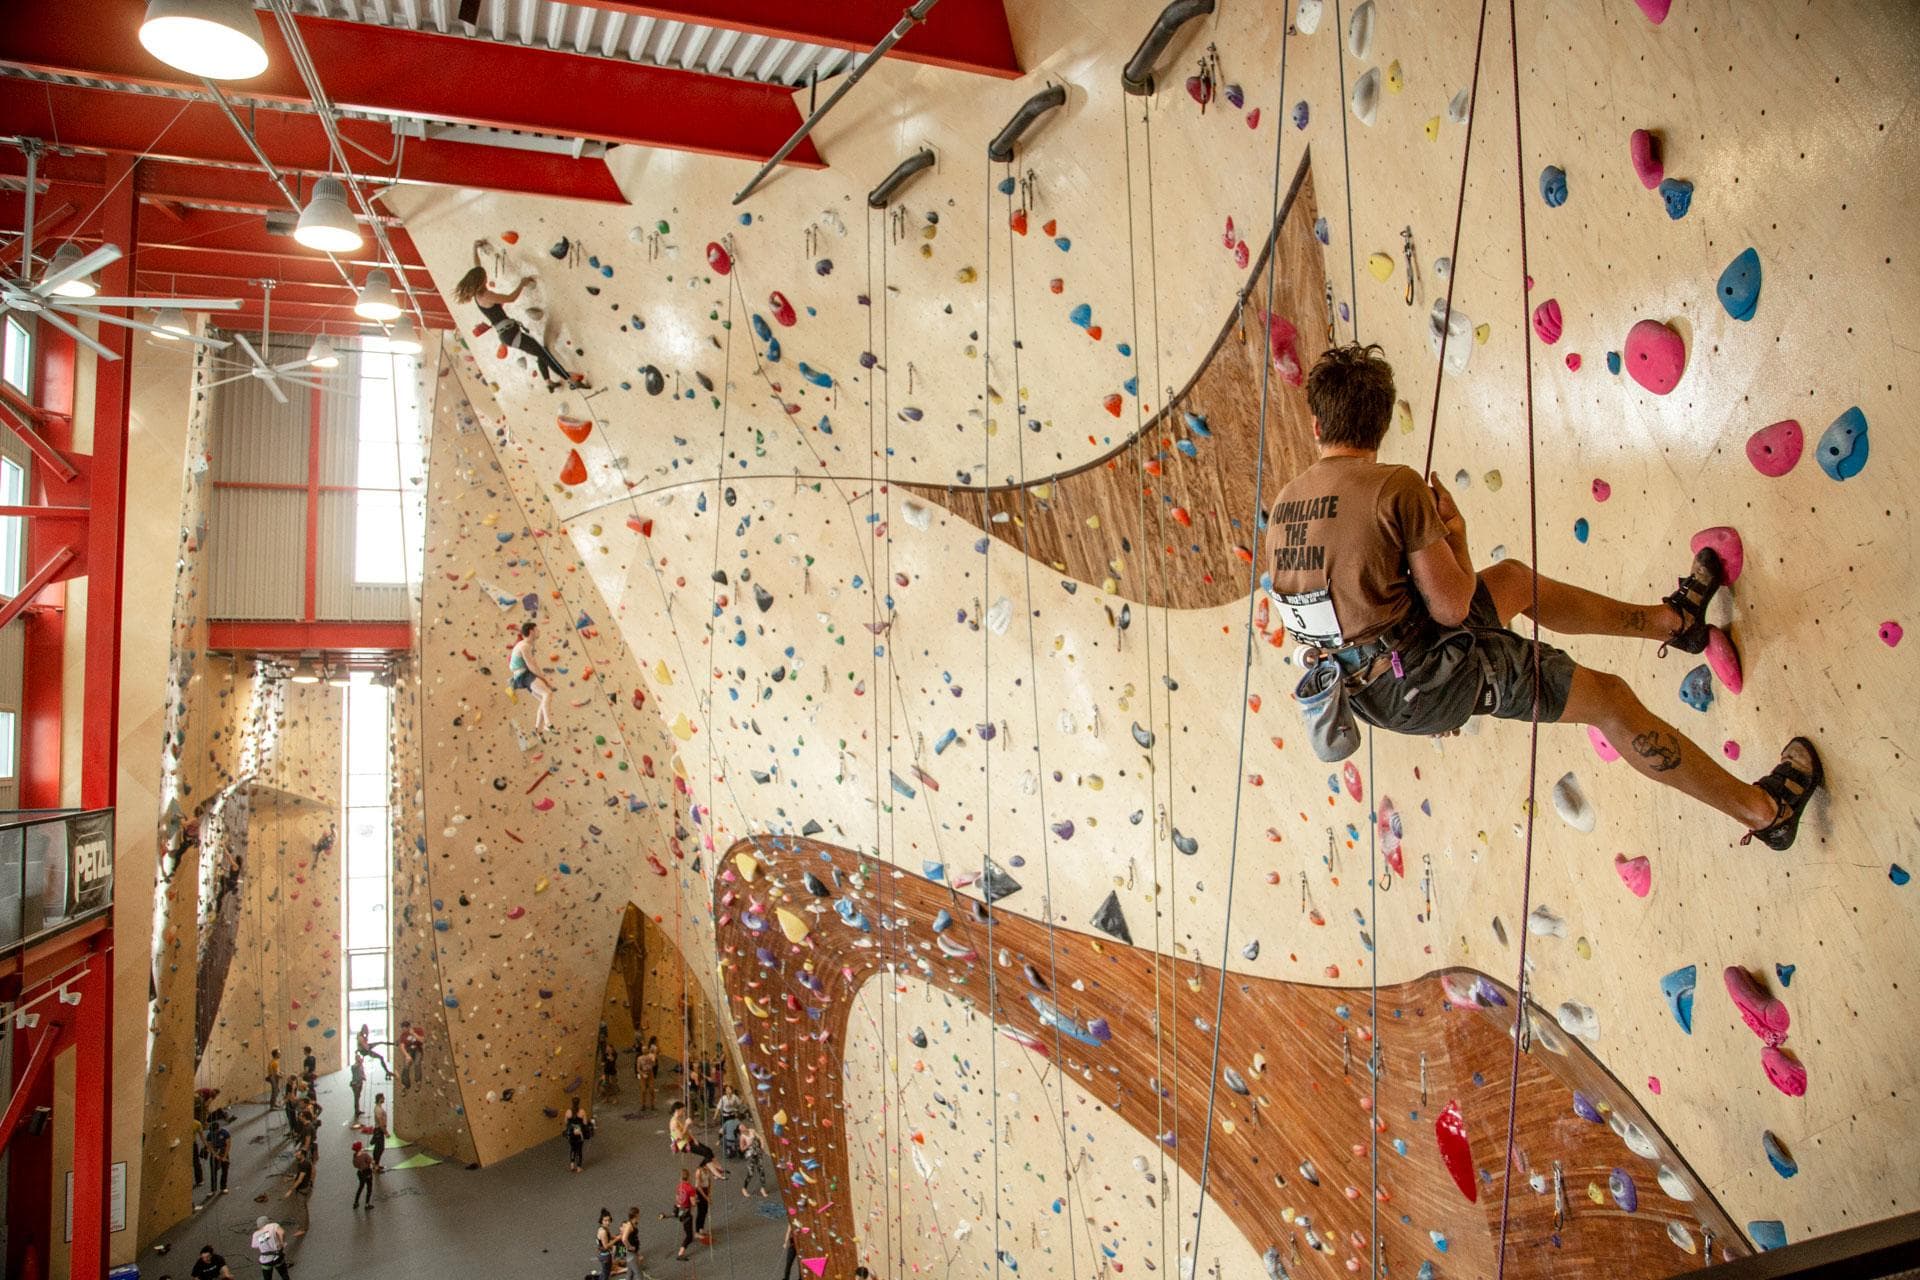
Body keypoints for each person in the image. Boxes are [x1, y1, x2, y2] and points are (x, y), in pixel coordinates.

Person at [1262, 343, 1822, 850]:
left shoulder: (1286, 504)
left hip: (1369, 690)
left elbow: (1331, 613)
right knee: (1609, 700)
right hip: (1424, 674)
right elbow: (1453, 607)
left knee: (1510, 582)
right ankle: (1765, 811)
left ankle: (1672, 623)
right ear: (1381, 423)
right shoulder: (1395, 486)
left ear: (1316, 426)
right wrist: (1455, 538)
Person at [453, 240, 587, 393]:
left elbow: (477, 267)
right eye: (484, 277)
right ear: (480, 281)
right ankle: (569, 379)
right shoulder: (486, 295)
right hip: (510, 334)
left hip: (508, 333)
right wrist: (522, 284)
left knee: (541, 352)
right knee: (543, 353)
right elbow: (510, 298)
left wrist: (475, 247)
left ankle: (549, 382)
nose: (486, 277)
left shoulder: (478, 294)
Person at [508, 621, 554, 731]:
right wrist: (544, 679)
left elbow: (533, 664)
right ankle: (547, 724)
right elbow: (531, 665)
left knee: (544, 699)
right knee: (547, 693)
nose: (539, 632)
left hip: (523, 675)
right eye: (537, 630)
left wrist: (542, 678)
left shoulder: (527, 645)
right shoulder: (524, 646)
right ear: (531, 631)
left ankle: (537, 729)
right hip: (523, 675)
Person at [668, 1100, 724, 1177]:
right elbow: (680, 1136)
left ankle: (718, 1167)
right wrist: (687, 1124)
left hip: (689, 1140)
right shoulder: (673, 1122)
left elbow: (687, 1131)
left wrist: (694, 1139)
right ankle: (715, 1173)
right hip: (684, 1145)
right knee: (706, 1153)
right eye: (683, 1110)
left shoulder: (678, 1119)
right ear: (678, 1110)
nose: (683, 1112)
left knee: (708, 1150)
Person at [283, 1144, 314, 1236]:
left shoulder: (303, 1165)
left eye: (298, 1153)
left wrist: (290, 1190)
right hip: (305, 1187)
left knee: (302, 1209)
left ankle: (303, 1228)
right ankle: (306, 1224)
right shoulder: (302, 1163)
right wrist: (289, 1179)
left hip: (302, 1189)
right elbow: (298, 1175)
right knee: (303, 1207)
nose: (296, 1154)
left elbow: (300, 1179)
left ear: (303, 1155)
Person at [668, 1168, 697, 1261]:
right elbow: (693, 1203)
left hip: (681, 1210)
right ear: (689, 1177)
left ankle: (689, 1238)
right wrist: (696, 1201)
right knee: (689, 1236)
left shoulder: (679, 1186)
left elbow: (677, 1198)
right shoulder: (690, 1188)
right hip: (687, 1213)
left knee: (687, 1228)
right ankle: (681, 1253)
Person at [737, 1122, 770, 1197]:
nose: (743, 1127)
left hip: (757, 1152)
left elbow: (760, 1138)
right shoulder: (742, 1137)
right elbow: (742, 1149)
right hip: (750, 1155)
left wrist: (762, 1146)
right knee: (751, 1173)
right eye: (741, 1127)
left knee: (761, 1171)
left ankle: (763, 1188)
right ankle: (744, 1188)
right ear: (740, 1130)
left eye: (743, 1125)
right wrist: (748, 1145)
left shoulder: (752, 1131)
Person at [563, 1095, 593, 1173]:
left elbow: (566, 1122)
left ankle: (572, 1164)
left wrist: (571, 1125)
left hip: (571, 1133)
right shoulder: (582, 1111)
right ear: (579, 1103)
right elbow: (585, 1123)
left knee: (573, 1148)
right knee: (579, 1150)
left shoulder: (568, 1112)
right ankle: (579, 1167)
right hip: (579, 1133)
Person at [691, 1160, 715, 1246]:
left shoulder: (707, 1170)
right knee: (700, 1212)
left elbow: (709, 1181)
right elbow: (698, 1187)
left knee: (705, 1211)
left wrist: (709, 1193)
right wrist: (706, 1197)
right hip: (700, 1192)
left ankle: (701, 1228)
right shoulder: (699, 1171)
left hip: (705, 1190)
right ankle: (697, 1231)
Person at [207, 1119, 232, 1197]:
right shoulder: (210, 1134)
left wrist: (224, 1156)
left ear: (218, 1128)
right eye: (212, 1132)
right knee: (213, 1172)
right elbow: (209, 1146)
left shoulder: (225, 1133)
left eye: (215, 1131)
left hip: (223, 1151)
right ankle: (213, 1189)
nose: (214, 1133)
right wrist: (215, 1155)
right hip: (215, 1152)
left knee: (224, 1170)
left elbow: (228, 1145)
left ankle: (223, 1187)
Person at [618, 1205, 645, 1276]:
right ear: (636, 1215)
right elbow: (624, 1239)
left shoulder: (633, 1223)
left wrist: (638, 1254)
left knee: (630, 1274)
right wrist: (629, 1247)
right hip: (631, 1254)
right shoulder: (629, 1225)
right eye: (639, 1214)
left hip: (633, 1252)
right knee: (639, 1274)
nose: (640, 1215)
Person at [398, 1021, 424, 1090]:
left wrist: (413, 1034)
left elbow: (422, 1040)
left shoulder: (418, 1030)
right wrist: (407, 1055)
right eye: (403, 1029)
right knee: (406, 1065)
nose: (404, 1031)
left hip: (418, 1049)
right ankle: (405, 1084)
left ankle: (418, 1081)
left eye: (405, 1029)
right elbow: (402, 1046)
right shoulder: (403, 1035)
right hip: (409, 1050)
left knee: (417, 1063)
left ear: (409, 1027)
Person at [351, 1141, 376, 1210]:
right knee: (369, 1188)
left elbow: (355, 1165)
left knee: (360, 1187)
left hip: (360, 1173)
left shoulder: (355, 1155)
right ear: (360, 1147)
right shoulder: (365, 1155)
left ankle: (356, 1203)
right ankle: (367, 1205)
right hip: (367, 1172)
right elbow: (372, 1162)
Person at [635, 1039, 659, 1111]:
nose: (644, 1050)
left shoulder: (650, 1056)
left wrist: (653, 1058)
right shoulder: (639, 1058)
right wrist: (642, 1074)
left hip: (650, 1073)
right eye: (643, 1049)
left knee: (651, 1090)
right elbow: (638, 1069)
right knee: (643, 1090)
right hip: (643, 1074)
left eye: (645, 1049)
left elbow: (654, 1064)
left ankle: (652, 1105)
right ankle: (643, 1105)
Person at [595, 1208, 618, 1280]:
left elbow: (610, 1236)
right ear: (601, 1221)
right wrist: (617, 1239)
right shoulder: (603, 1232)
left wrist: (618, 1236)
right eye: (605, 1220)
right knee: (606, 1275)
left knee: (605, 1272)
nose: (608, 1222)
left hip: (604, 1254)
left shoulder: (604, 1228)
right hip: (605, 1256)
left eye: (609, 1220)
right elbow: (606, 1246)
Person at [369, 1093, 388, 1170]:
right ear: (380, 1099)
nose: (384, 1099)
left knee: (379, 1148)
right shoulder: (378, 1109)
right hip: (379, 1130)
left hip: (379, 1130)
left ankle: (376, 1164)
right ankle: (375, 1165)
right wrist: (385, 1132)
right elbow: (380, 1122)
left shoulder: (378, 1107)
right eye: (383, 1098)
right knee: (379, 1149)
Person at [348, 1054, 366, 1120]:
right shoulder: (354, 1066)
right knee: (356, 1098)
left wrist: (364, 1077)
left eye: (360, 1058)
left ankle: (358, 1110)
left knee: (358, 1097)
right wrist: (360, 1063)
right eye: (358, 1058)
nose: (359, 1059)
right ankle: (356, 1111)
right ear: (356, 1059)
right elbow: (356, 1067)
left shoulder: (361, 1065)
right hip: (355, 1084)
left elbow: (362, 1072)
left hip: (360, 1083)